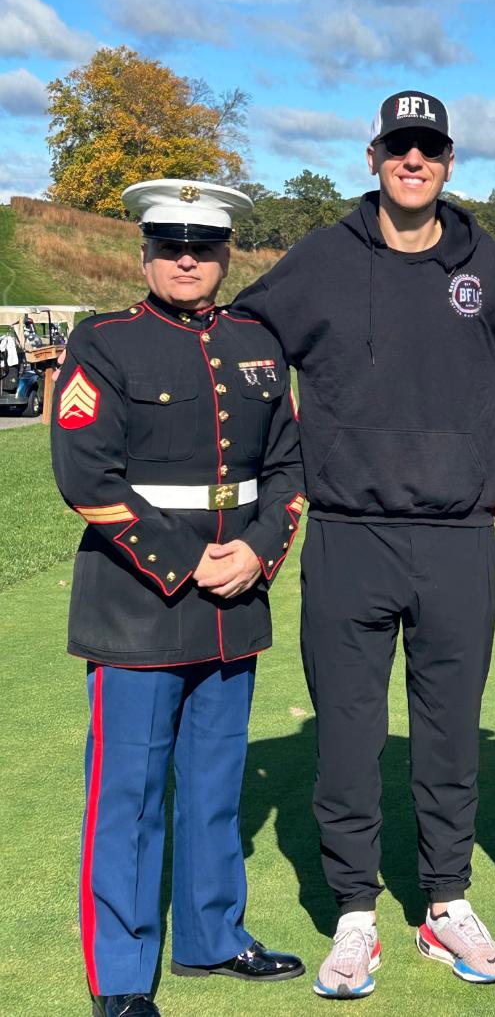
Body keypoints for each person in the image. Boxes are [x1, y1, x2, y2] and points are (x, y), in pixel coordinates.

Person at [234, 91, 495, 998]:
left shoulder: (480, 261)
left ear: (449, 161)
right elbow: (244, 344)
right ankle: (352, 914)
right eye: (398, 147)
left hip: (459, 535)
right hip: (349, 533)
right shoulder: (326, 257)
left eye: (429, 149)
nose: (412, 162)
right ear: (373, 154)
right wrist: (281, 465)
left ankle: (445, 903)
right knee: (345, 731)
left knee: (448, 732)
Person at [51, 179, 307, 1017]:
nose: (187, 259)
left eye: (203, 246)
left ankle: (211, 935)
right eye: (170, 245)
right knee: (128, 791)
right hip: (140, 601)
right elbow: (86, 475)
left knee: (214, 780)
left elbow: (289, 467)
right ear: (147, 252)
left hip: (236, 600)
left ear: (228, 254)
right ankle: (121, 977)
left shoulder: (257, 341)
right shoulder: (104, 343)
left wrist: (261, 551)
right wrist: (192, 562)